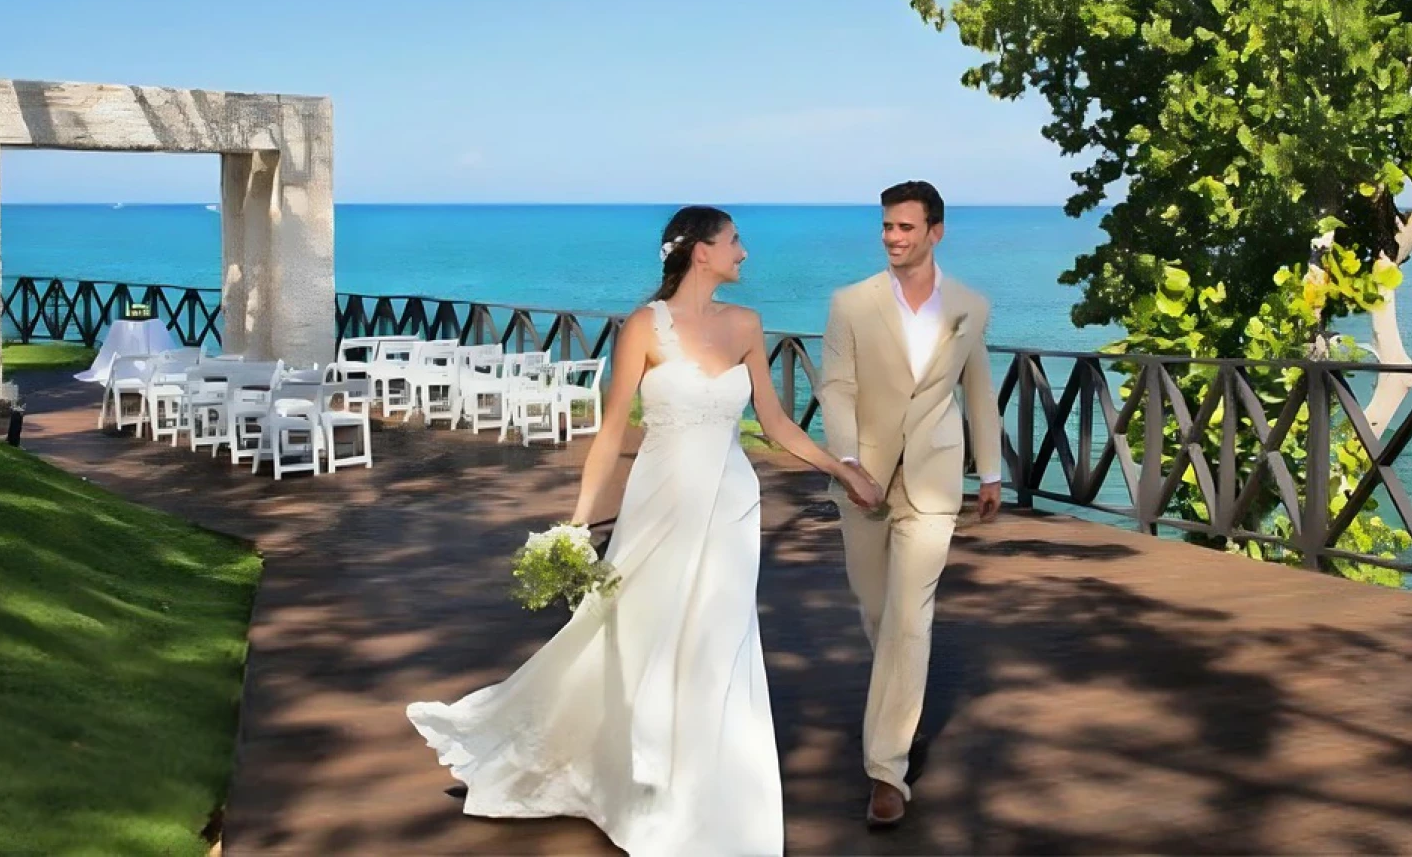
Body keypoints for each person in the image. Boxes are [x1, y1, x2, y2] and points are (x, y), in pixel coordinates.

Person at [407, 205, 883, 856]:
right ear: (701, 252)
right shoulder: (644, 326)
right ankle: (621, 775)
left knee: (719, 645)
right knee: (630, 637)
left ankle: (711, 804)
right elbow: (609, 435)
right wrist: (577, 522)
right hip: (658, 509)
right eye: (734, 240)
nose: (744, 252)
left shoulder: (746, 324)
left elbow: (775, 426)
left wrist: (843, 468)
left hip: (730, 510)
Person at [818, 180, 1004, 829]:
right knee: (877, 611)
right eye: (887, 227)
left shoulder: (970, 306)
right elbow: (835, 388)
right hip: (862, 479)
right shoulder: (851, 303)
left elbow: (978, 388)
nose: (893, 237)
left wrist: (991, 471)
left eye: (905, 227)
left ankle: (886, 770)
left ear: (935, 231)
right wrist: (848, 463)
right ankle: (897, 707)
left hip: (933, 482)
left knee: (909, 617)